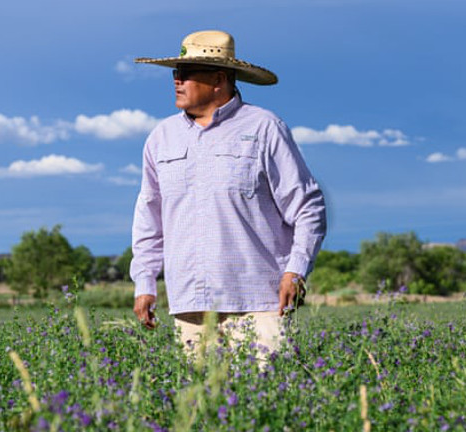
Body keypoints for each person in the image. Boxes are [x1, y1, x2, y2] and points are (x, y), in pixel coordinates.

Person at [130, 30, 326, 358]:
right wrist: (145, 283)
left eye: (186, 74)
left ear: (219, 79)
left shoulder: (264, 128)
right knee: (202, 405)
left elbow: (307, 206)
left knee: (269, 400)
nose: (176, 81)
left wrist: (295, 271)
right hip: (189, 304)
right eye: (175, 73)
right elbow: (149, 218)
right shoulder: (161, 138)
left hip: (261, 303)